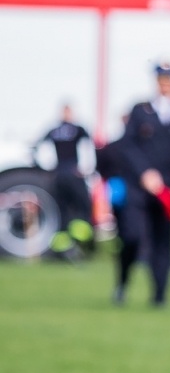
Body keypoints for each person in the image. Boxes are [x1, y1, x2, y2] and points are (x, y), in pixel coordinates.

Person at [117, 60, 170, 306]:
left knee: (163, 244)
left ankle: (159, 295)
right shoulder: (141, 111)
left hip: (165, 192)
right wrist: (145, 173)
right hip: (139, 190)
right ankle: (123, 282)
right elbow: (128, 146)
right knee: (133, 237)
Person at [40, 104, 95, 259]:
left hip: (59, 175)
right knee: (82, 207)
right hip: (73, 174)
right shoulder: (78, 130)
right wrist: (86, 168)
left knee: (62, 210)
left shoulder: (53, 131)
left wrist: (49, 169)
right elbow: (88, 148)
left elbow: (41, 149)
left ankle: (64, 246)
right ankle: (79, 241)